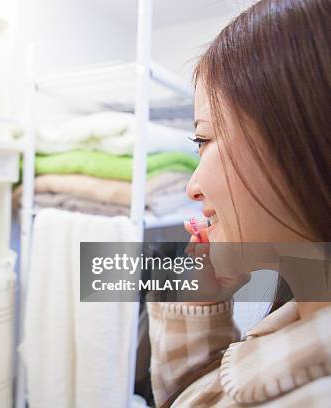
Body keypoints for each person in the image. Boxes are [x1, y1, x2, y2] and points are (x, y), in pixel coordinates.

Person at [148, 0, 330, 406]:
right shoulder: (299, 321)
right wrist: (202, 299)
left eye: (204, 140)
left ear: (306, 136)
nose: (192, 188)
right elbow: (209, 394)